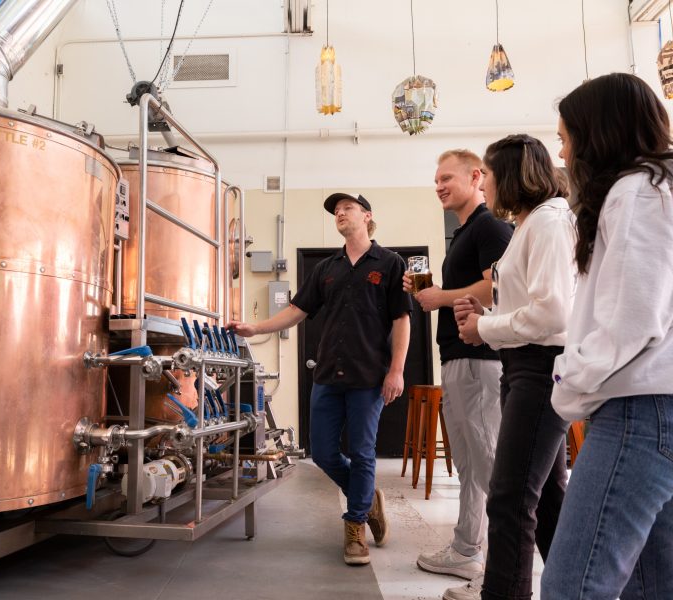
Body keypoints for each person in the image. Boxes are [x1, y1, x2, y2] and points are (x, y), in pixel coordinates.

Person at [541, 73, 673, 599]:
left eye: (566, 137)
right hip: (656, 404)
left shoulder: (637, 191)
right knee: (654, 584)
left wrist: (569, 381)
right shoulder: (657, 187)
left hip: (638, 409)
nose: (563, 150)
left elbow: (631, 322)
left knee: (573, 584)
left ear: (599, 135)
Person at [229, 193, 412, 566]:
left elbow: (401, 320)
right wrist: (255, 328)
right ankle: (368, 499)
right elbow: (296, 311)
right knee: (325, 453)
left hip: (369, 376)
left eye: (347, 208)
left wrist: (397, 370)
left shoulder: (390, 263)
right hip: (328, 373)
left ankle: (356, 524)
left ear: (367, 215)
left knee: (362, 453)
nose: (340, 214)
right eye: (336, 211)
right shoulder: (327, 267)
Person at [444, 135, 576, 600]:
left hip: (539, 369)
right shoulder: (531, 224)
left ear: (512, 176)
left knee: (509, 498)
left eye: (492, 177)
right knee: (548, 496)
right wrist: (486, 321)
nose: (488, 186)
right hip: (522, 366)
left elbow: (554, 315)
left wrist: (486, 330)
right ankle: (569, 588)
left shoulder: (548, 222)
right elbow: (531, 304)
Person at [405, 151, 512, 581]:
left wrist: (441, 297)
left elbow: (495, 288)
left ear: (475, 176)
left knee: (488, 461)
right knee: (470, 463)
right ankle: (468, 549)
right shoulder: (465, 232)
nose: (439, 186)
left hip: (480, 359)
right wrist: (430, 292)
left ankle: (506, 565)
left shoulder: (489, 225)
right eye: (435, 180)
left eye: (446, 177)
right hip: (457, 358)